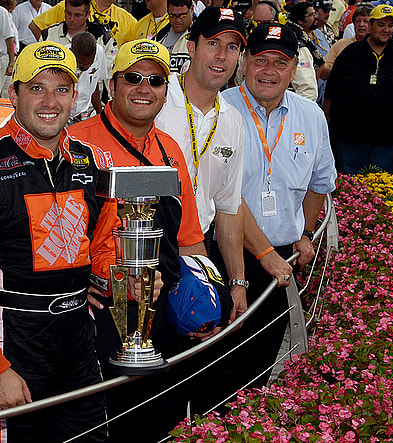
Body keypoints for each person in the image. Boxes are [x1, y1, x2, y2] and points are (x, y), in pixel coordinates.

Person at [0, 41, 120, 443]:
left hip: (79, 340)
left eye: (61, 89)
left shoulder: (96, 161)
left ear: (75, 95)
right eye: (37, 88)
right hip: (9, 343)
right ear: (13, 94)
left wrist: (118, 278)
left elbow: (104, 244)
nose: (50, 101)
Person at [69, 38, 205, 441]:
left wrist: (202, 298)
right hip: (95, 317)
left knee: (159, 421)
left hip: (161, 317)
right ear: (113, 85)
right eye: (133, 77)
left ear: (167, 91)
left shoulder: (172, 151)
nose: (144, 87)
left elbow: (190, 240)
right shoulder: (75, 145)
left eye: (156, 80)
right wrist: (85, 284)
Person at [222, 22, 337, 392]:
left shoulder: (311, 116)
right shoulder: (221, 111)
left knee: (260, 366)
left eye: (280, 62)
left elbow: (320, 183)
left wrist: (304, 233)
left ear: (293, 69)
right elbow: (217, 196)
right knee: (217, 365)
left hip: (281, 264)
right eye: (261, 60)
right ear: (244, 63)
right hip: (224, 256)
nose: (269, 71)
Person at [154, 6, 248, 415]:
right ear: (190, 47)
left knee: (202, 377)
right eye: (212, 43)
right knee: (152, 384)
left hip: (200, 256)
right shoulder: (156, 99)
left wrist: (238, 281)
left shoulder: (232, 121)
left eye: (231, 48)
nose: (221, 56)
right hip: (149, 256)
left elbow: (228, 209)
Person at [325, 4, 393, 174]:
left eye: (390, 25)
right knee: (351, 190)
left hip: (389, 140)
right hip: (351, 138)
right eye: (381, 25)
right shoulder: (350, 53)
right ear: (371, 26)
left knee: (384, 192)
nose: (386, 30)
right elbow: (330, 91)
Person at [42, 0, 109, 119]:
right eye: (82, 64)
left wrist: (100, 115)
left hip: (85, 115)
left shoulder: (99, 48)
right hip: (61, 114)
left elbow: (94, 86)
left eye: (77, 15)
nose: (86, 68)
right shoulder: (61, 55)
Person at [320, 2, 372, 79]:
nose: (361, 24)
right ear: (353, 25)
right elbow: (323, 70)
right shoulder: (341, 44)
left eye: (366, 22)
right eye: (358, 21)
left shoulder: (377, 47)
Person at [286, 2, 322, 101]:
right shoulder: (295, 45)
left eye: (315, 14)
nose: (315, 17)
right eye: (311, 15)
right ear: (300, 20)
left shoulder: (320, 34)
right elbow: (306, 90)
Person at [163, 0, 196, 73]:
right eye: (173, 16)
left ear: (192, 9)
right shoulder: (159, 37)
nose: (177, 20)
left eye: (182, 15)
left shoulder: (200, 36)